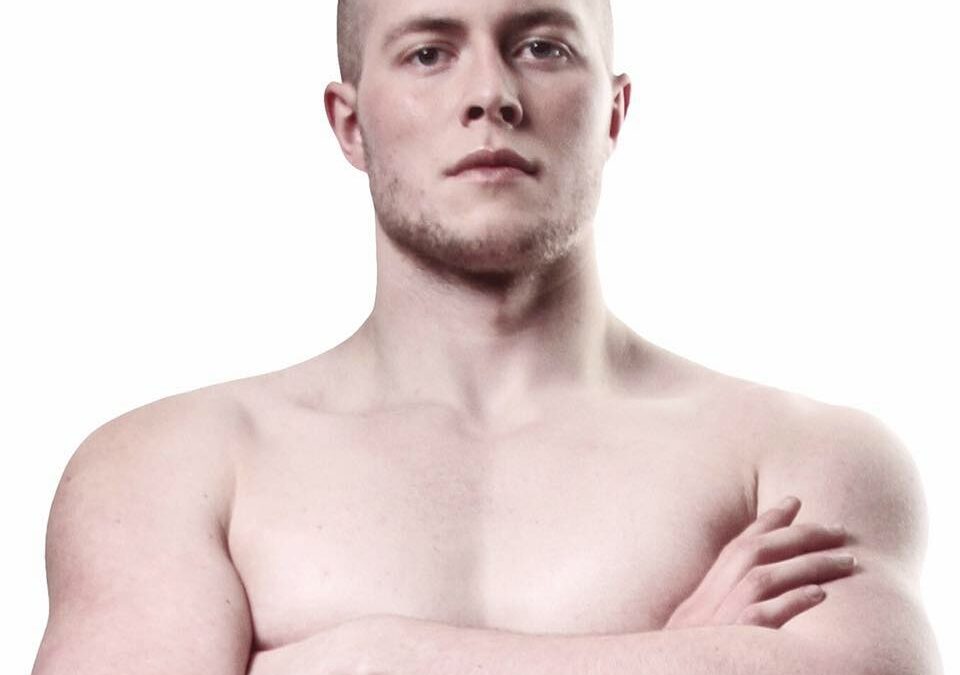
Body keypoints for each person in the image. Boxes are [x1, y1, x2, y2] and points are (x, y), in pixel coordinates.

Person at [32, 0, 943, 673]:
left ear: (614, 111)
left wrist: (364, 658)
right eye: (429, 52)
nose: (491, 95)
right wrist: (677, 657)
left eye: (542, 46)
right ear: (350, 124)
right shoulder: (168, 466)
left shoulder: (796, 457)